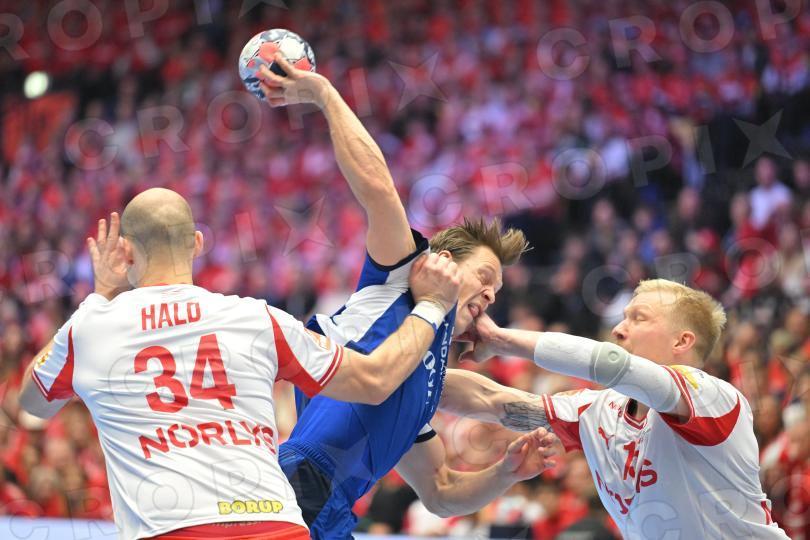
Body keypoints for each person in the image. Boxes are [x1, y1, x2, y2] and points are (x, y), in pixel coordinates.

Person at [18, 188, 462, 540]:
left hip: (170, 530)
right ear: (197, 243)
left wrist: (99, 297)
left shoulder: (90, 328)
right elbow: (376, 379)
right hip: (277, 525)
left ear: (126, 253)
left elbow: (33, 403)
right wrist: (432, 306)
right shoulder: (257, 318)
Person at [258, 56, 555, 538]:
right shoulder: (404, 275)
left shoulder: (421, 382)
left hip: (334, 512)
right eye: (484, 276)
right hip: (301, 485)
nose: (489, 294)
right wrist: (323, 94)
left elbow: (441, 491)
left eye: (497, 293)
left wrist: (506, 472)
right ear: (442, 261)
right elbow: (378, 189)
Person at [459, 278, 790, 538]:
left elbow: (609, 364)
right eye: (622, 318)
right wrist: (427, 355)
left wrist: (499, 339)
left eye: (638, 318)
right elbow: (490, 400)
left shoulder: (712, 396)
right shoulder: (598, 409)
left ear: (681, 341)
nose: (618, 330)